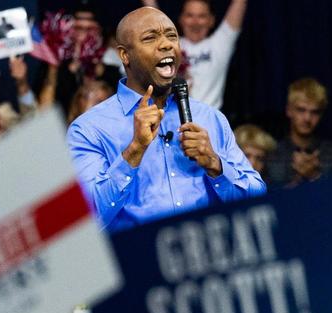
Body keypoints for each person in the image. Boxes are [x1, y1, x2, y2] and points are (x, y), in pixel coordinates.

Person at [66, 6, 265, 231]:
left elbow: (257, 196)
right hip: (137, 260)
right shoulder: (89, 129)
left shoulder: (210, 118)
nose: (166, 44)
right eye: (150, 38)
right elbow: (86, 219)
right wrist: (134, 151)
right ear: (125, 55)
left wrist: (215, 164)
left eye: (172, 36)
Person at [142, 0, 247, 110]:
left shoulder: (219, 44)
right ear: (181, 19)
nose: (195, 22)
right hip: (173, 120)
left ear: (211, 20)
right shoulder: (168, 45)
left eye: (202, 16)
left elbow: (240, 3)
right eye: (189, 15)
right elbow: (155, 16)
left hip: (208, 121)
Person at [266, 78, 332, 187]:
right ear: (289, 110)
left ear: (321, 114)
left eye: (315, 112)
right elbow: (266, 200)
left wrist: (315, 176)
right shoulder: (271, 154)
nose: (307, 118)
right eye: (301, 110)